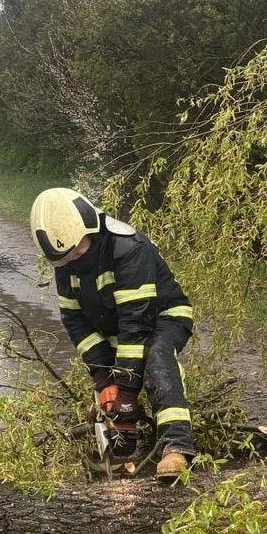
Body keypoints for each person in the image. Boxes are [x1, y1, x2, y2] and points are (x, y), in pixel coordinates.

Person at [29, 187, 195, 481]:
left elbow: (137, 321)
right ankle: (122, 451)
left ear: (90, 228)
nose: (74, 258)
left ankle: (176, 447)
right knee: (109, 389)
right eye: (66, 257)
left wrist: (127, 392)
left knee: (156, 357)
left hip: (161, 317)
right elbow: (75, 320)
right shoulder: (65, 261)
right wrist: (103, 376)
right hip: (118, 327)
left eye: (78, 249)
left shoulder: (129, 248)